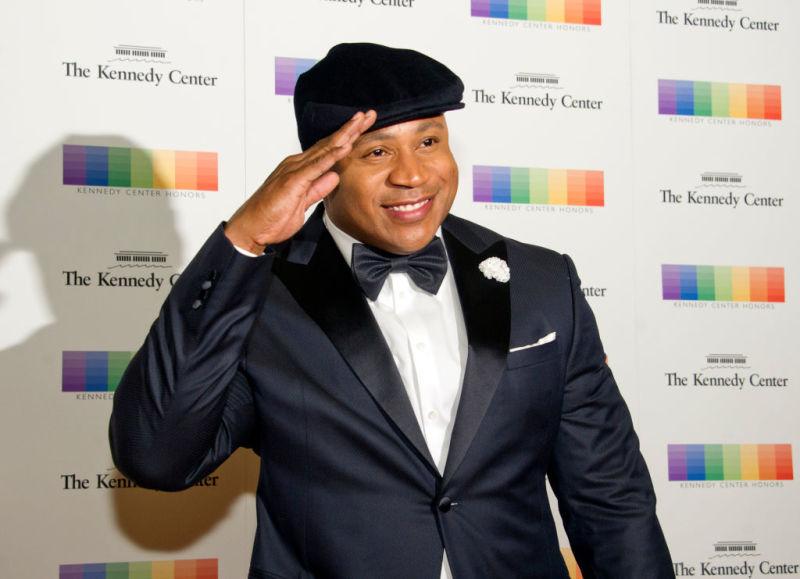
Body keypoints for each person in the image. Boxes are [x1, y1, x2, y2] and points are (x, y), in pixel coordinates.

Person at [110, 43, 673, 579]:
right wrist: (243, 241)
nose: (413, 174)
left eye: (428, 142)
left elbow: (609, 496)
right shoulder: (260, 297)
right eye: (377, 152)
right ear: (319, 171)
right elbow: (156, 456)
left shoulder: (541, 282)